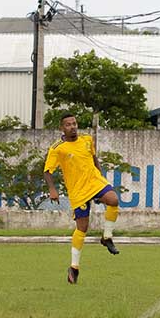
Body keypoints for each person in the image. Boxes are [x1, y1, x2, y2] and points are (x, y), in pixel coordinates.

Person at [43, 113, 121, 284]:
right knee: (82, 228)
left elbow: (94, 158)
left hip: (95, 182)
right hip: (78, 191)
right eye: (68, 124)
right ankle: (74, 267)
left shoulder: (87, 139)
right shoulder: (58, 148)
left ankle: (107, 237)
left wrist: (101, 176)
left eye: (74, 123)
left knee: (113, 200)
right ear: (62, 128)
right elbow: (47, 171)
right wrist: (52, 189)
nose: (73, 127)